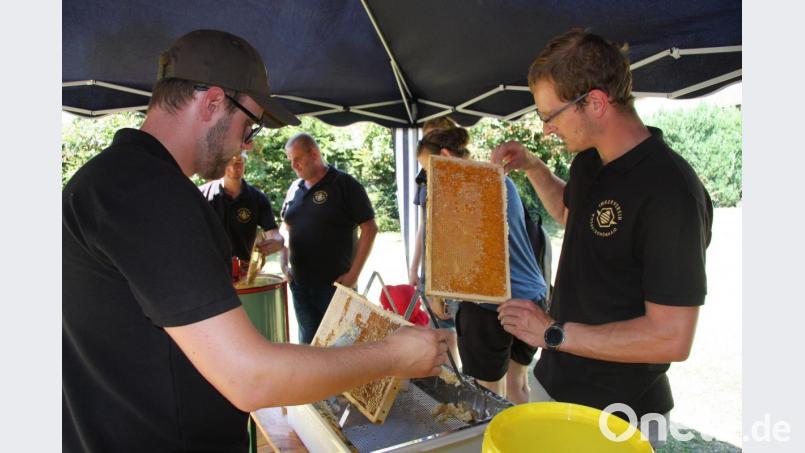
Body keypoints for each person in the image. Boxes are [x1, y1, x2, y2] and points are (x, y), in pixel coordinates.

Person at [63, 29, 449, 452]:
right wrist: (392, 356)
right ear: (212, 103)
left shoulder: (105, 181)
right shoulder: (150, 192)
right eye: (248, 127)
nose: (244, 145)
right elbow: (249, 376)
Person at [493, 29, 713, 446]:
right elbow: (572, 215)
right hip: (554, 381)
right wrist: (535, 168)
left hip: (621, 410)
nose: (546, 130)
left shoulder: (670, 192)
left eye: (550, 115)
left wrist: (554, 333)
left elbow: (672, 336)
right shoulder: (589, 164)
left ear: (594, 102)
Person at [417, 127, 548, 404]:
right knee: (518, 385)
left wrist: (435, 290)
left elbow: (455, 257)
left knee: (488, 395)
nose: (429, 177)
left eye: (428, 169)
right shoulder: (502, 180)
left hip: (490, 306)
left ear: (444, 156)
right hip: (533, 297)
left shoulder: (460, 188)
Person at [280, 132, 379, 344]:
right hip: (300, 285)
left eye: (298, 159)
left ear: (314, 153)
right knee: (308, 346)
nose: (294, 166)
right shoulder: (294, 189)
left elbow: (369, 228)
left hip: (334, 286)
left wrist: (353, 274)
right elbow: (286, 226)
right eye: (291, 161)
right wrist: (283, 263)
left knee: (340, 345)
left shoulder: (344, 184)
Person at [407, 116, 462, 364]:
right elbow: (424, 226)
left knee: (458, 333)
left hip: (452, 271)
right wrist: (415, 265)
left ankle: (458, 378)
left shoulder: (463, 180)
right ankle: (448, 379)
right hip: (432, 267)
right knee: (438, 332)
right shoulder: (424, 178)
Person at [198, 152, 283, 274]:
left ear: (245, 162)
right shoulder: (202, 195)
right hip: (210, 271)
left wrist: (278, 241)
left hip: (245, 272)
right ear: (221, 164)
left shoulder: (257, 198)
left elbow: (273, 233)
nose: (234, 168)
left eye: (239, 162)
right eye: (229, 163)